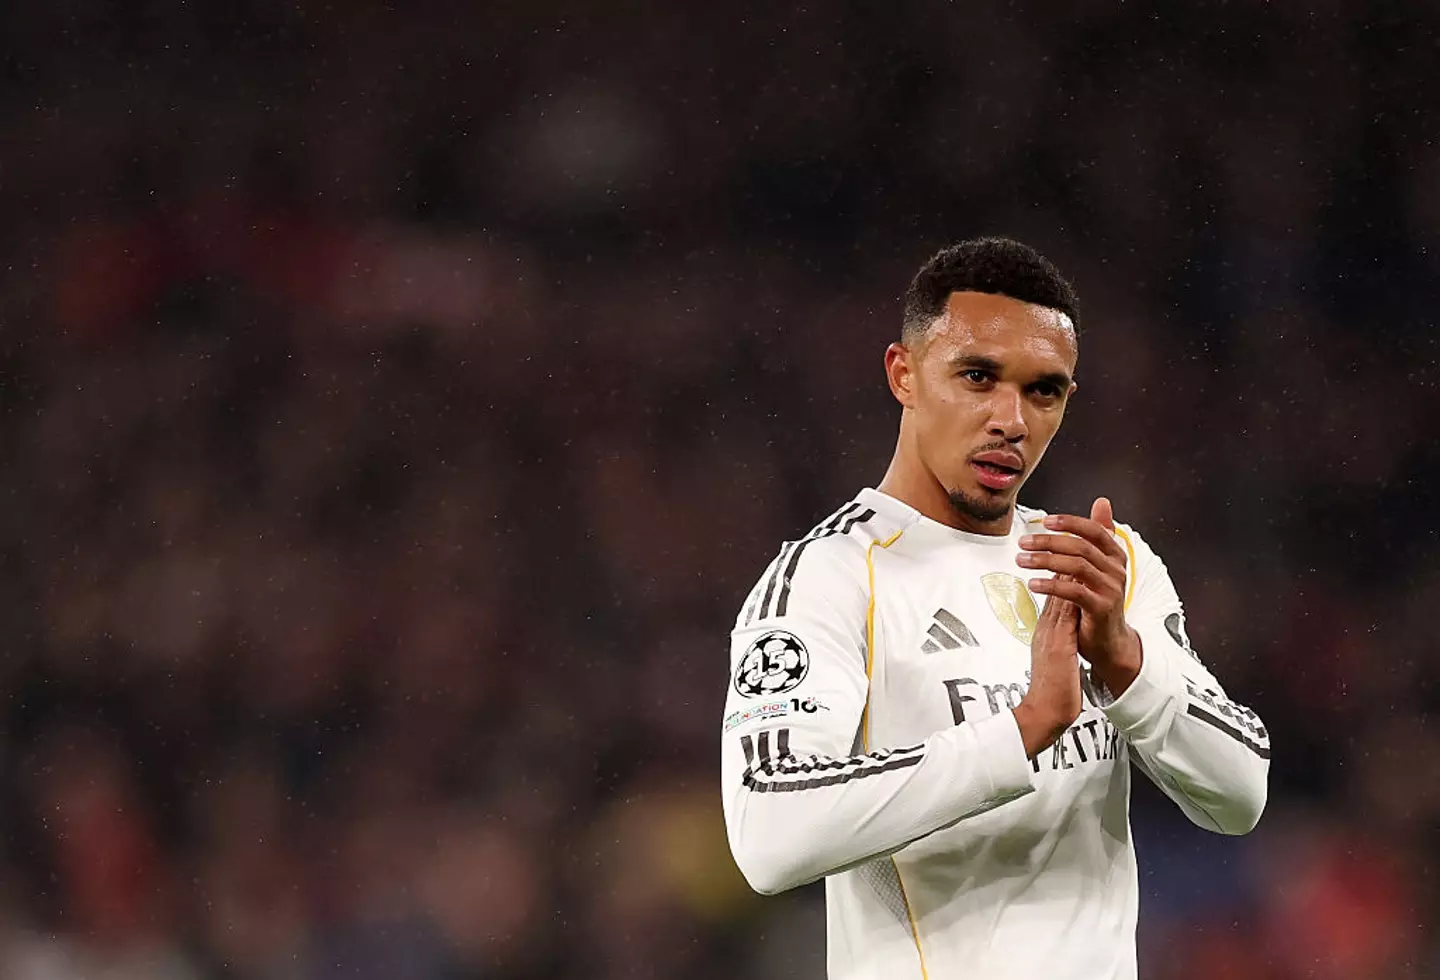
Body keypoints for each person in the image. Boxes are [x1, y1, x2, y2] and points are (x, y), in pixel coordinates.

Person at [720, 238, 1269, 980]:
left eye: (1043, 391)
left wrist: (1124, 660)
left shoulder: (1102, 566)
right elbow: (769, 835)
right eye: (978, 376)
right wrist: (1023, 729)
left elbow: (1240, 797)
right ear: (904, 374)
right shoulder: (831, 578)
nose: (1011, 419)